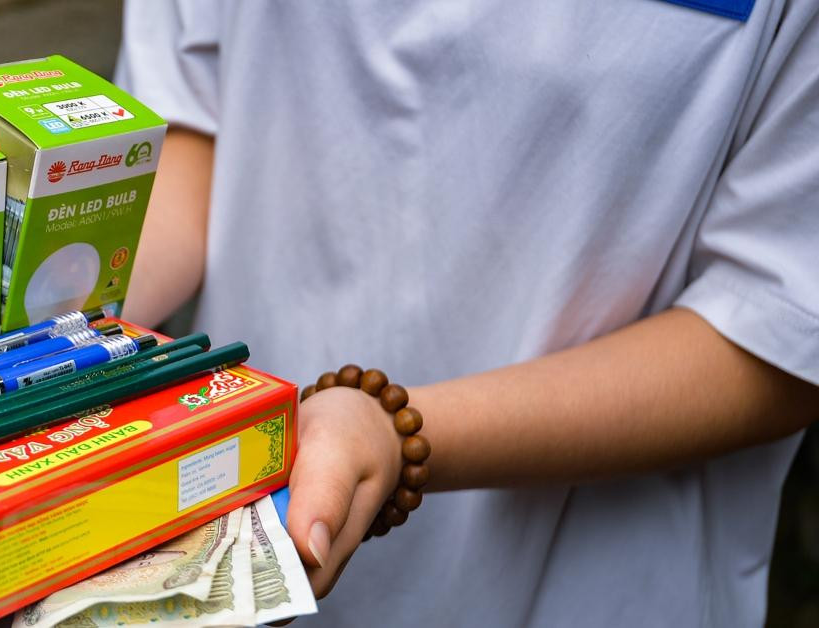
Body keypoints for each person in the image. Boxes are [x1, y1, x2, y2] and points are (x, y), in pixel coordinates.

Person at [114, 1, 819, 626]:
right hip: (233, 507)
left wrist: (394, 430)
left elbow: (779, 325)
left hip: (577, 578)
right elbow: (191, 120)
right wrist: (66, 319)